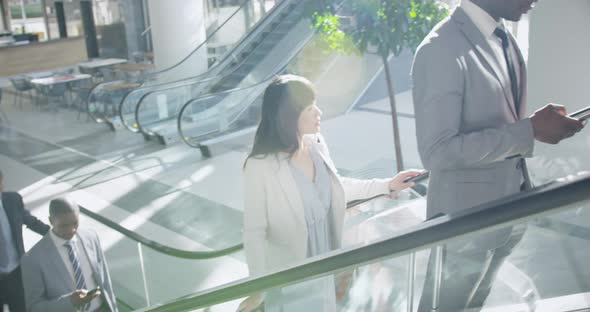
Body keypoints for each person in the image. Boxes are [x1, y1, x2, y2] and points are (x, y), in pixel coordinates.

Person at [411, 0, 585, 311]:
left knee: (475, 305)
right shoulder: (440, 48)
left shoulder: (503, 37)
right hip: (464, 223)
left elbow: (495, 121)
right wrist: (529, 130)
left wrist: (535, 126)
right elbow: (438, 151)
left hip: (507, 214)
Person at [240, 75, 423, 311]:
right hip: (290, 279)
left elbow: (338, 186)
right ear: (289, 116)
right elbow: (254, 232)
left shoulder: (316, 145)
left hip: (325, 269)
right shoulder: (260, 166)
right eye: (310, 107)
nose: (319, 112)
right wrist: (258, 286)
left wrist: (388, 184)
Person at [21, 197, 118, 312]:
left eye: (75, 223)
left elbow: (104, 280)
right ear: (51, 221)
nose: (71, 230)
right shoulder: (32, 259)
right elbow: (34, 307)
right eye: (64, 225)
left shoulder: (91, 237)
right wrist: (70, 302)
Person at [0, 169, 50, 312]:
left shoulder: (12, 200)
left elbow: (31, 221)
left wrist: (55, 234)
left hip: (16, 273)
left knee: (21, 308)